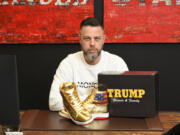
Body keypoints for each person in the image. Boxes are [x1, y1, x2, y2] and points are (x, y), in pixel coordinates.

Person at [49, 17, 129, 112]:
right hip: (75, 123)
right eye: (87, 38)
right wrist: (98, 101)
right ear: (80, 40)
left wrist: (75, 100)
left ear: (103, 39)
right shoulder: (68, 63)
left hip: (110, 123)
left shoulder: (117, 64)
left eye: (97, 38)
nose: (92, 43)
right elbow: (54, 103)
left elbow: (125, 102)